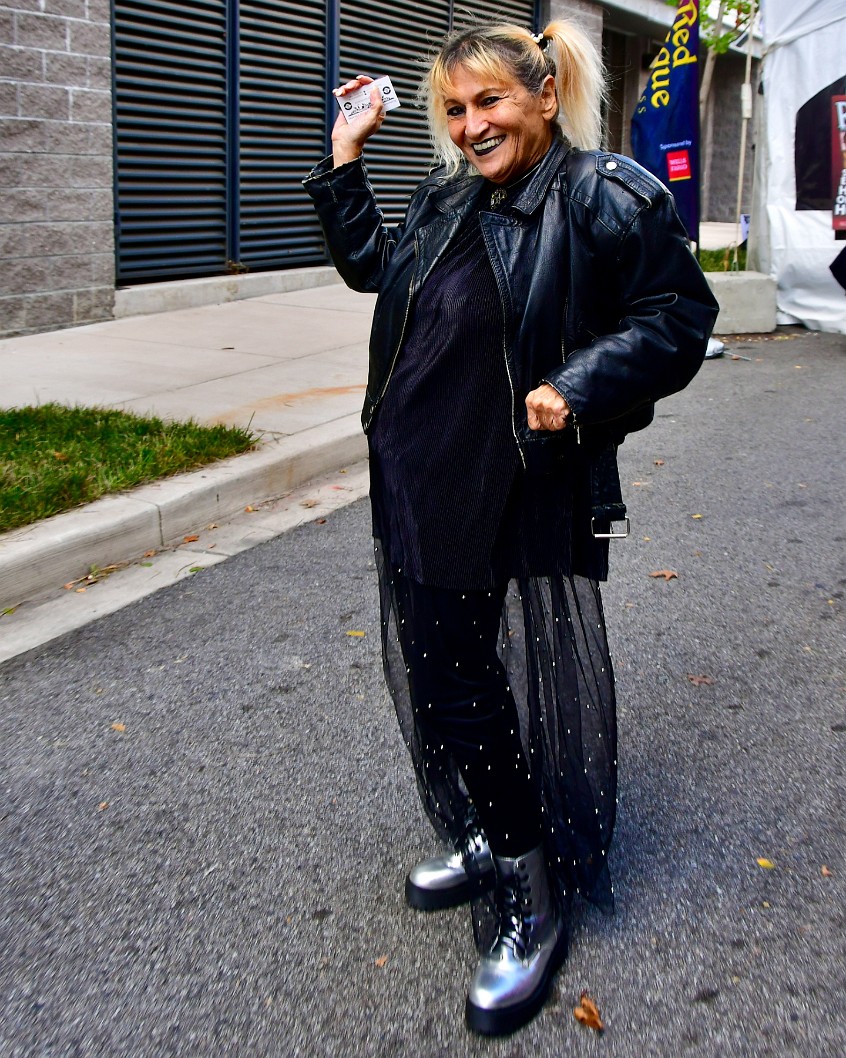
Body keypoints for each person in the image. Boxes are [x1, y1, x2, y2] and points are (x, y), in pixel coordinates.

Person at [305, 20, 718, 1036]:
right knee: (450, 668)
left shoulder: (603, 192)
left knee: (454, 679)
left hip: (505, 476)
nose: (470, 125)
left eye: (489, 102)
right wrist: (344, 156)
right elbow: (371, 269)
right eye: (454, 110)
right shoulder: (444, 196)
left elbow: (677, 316)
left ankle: (526, 895)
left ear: (540, 95)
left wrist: (578, 384)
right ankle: (490, 831)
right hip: (415, 465)